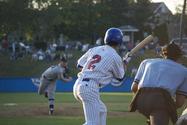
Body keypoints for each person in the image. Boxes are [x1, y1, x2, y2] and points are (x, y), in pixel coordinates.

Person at [73, 28, 127, 125]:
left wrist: (94, 71)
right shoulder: (115, 57)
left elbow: (79, 65)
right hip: (89, 87)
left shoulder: (95, 49)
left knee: (102, 111)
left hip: (78, 83)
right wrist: (125, 63)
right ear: (120, 41)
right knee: (92, 123)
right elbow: (120, 77)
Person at [130, 42, 187, 125]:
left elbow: (134, 88)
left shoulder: (146, 62)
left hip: (140, 100)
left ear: (163, 53)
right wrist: (168, 108)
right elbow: (179, 102)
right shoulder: (184, 71)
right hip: (160, 100)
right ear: (179, 56)